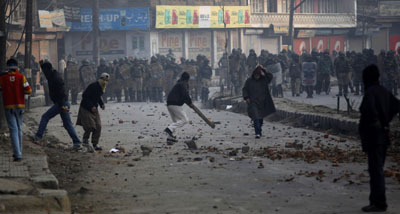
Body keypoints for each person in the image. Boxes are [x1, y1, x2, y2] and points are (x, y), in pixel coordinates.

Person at [359, 64, 400, 212]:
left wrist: (376, 123)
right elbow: (396, 106)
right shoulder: (384, 91)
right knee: (378, 168)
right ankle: (376, 201)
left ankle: (378, 203)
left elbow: (368, 112)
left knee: (376, 170)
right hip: (383, 135)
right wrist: (386, 121)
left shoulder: (370, 92)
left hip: (373, 136)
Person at [34, 61, 82, 151]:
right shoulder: (52, 75)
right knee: (67, 124)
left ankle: (38, 137)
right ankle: (77, 143)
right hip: (62, 103)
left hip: (61, 103)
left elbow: (62, 92)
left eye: (44, 70)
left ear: (48, 70)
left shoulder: (55, 78)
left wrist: (63, 105)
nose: (44, 73)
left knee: (45, 117)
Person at [0, 59, 32, 161]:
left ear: (8, 66)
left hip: (9, 107)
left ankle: (17, 154)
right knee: (19, 129)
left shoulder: (3, 78)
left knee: (13, 130)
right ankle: (19, 152)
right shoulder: (21, 77)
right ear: (16, 66)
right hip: (20, 107)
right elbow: (29, 90)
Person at [76, 73, 109, 152]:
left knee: (98, 126)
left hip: (94, 108)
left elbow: (97, 97)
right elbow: (85, 96)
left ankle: (95, 143)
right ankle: (85, 140)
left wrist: (101, 104)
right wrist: (91, 106)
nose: (105, 82)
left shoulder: (101, 87)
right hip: (86, 107)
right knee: (90, 126)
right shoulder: (93, 86)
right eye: (104, 80)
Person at [242, 65, 276, 139]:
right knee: (255, 117)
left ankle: (259, 128)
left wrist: (264, 70)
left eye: (258, 75)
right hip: (253, 102)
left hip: (262, 102)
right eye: (255, 75)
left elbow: (270, 76)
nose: (257, 76)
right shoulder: (249, 81)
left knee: (260, 118)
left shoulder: (264, 80)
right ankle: (258, 132)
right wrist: (246, 97)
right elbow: (245, 89)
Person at [164, 72, 194, 143]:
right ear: (188, 79)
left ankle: (170, 137)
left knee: (175, 122)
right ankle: (169, 129)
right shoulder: (183, 84)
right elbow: (185, 94)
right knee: (185, 120)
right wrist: (190, 103)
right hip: (175, 104)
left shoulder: (179, 83)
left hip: (169, 104)